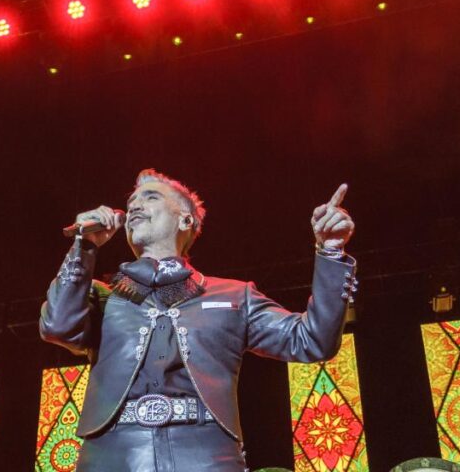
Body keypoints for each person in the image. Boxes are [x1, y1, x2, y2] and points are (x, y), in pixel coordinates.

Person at [40, 169, 357, 472]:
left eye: (150, 197)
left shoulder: (234, 296)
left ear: (185, 219)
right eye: (131, 203)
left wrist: (330, 253)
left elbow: (312, 340)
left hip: (205, 457)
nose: (135, 206)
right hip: (110, 458)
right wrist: (84, 246)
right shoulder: (104, 298)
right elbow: (57, 327)